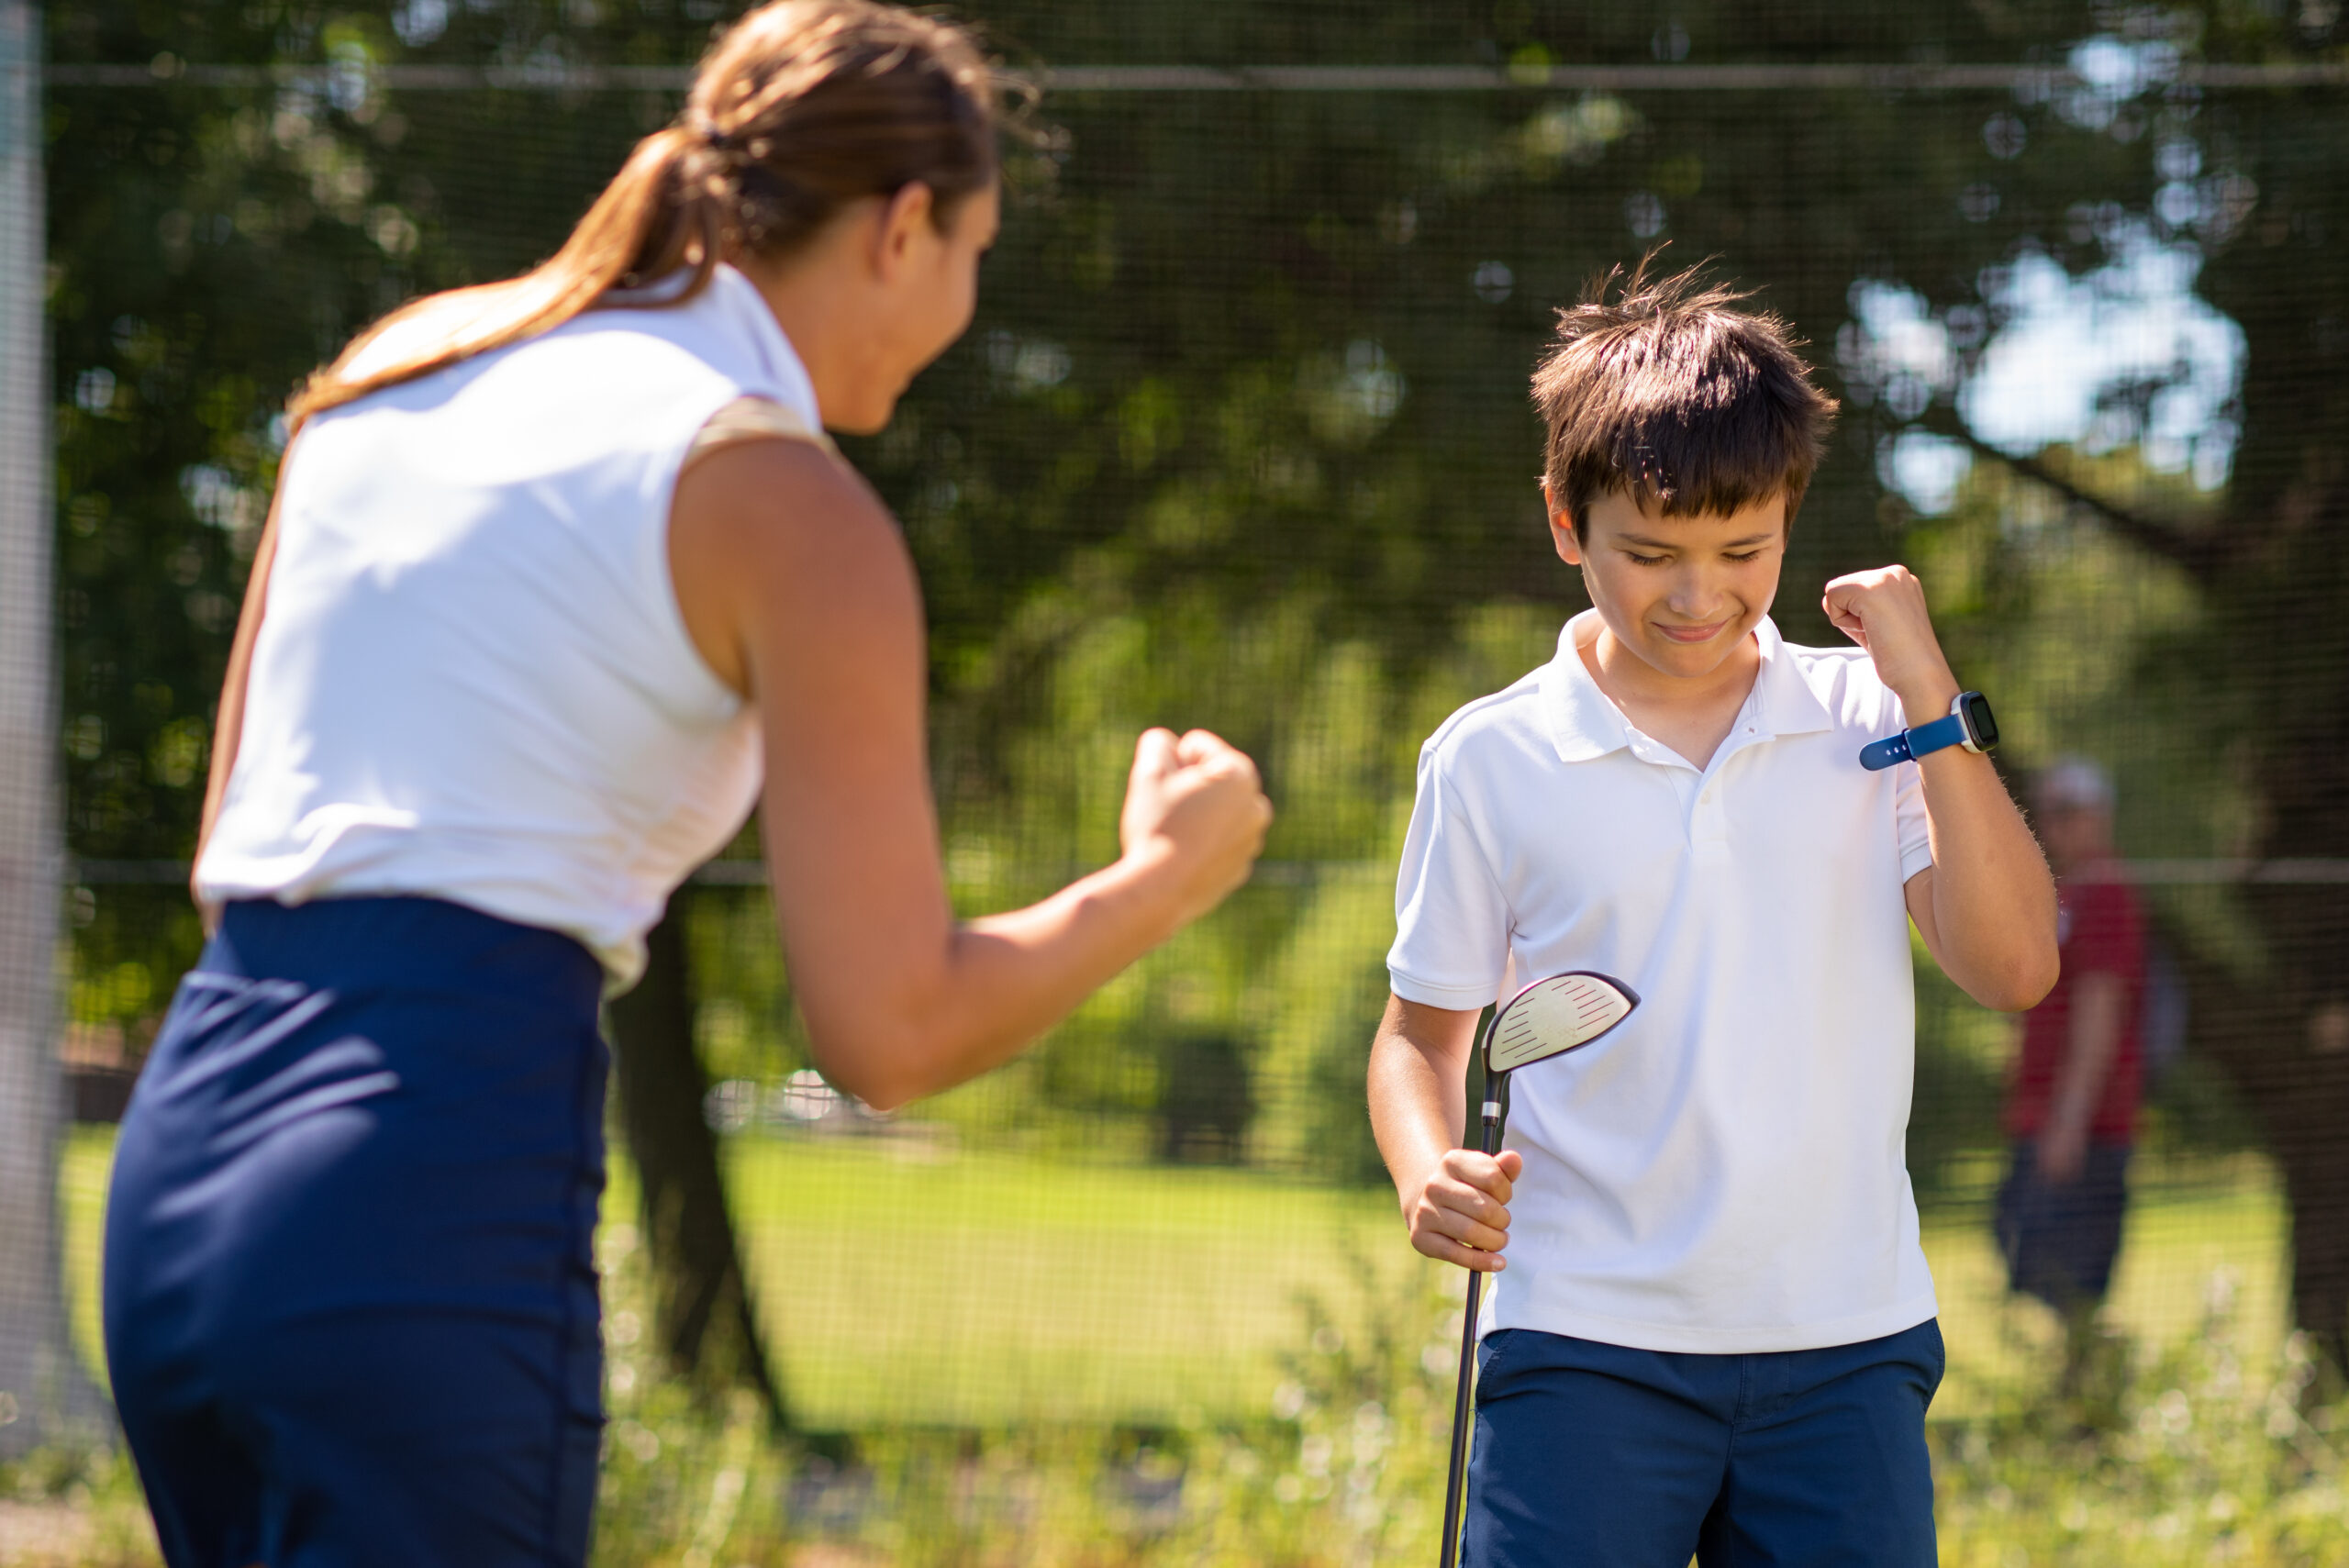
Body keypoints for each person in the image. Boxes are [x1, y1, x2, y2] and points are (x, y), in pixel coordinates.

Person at [100, 6, 1273, 1564]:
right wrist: (1162, 881)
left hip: (185, 1164)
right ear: (905, 226)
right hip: (420, 1188)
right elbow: (889, 1031)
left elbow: (234, 828)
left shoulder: (402, 361)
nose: (968, 303)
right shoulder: (786, 503)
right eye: (976, 249)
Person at [1365, 263, 2058, 1568]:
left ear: (1791, 520)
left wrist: (1928, 692)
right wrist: (1424, 1171)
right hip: (1580, 1344)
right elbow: (1418, 1038)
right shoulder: (1489, 758)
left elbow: (2016, 966)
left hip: (1845, 1349)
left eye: (1743, 553)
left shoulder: (1875, 718)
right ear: (1567, 522)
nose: (1699, 596)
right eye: (1651, 554)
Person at [1996, 758, 2146, 1386]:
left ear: (2100, 817)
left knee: (2071, 1275)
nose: (2054, 825)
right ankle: (2078, 1395)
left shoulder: (2107, 893)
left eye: (2069, 812)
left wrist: (2070, 1119)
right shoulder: (2062, 893)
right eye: (2048, 812)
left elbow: (2100, 1009)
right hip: (2045, 1116)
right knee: (2021, 1246)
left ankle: (2092, 1396)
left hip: (2086, 1126)